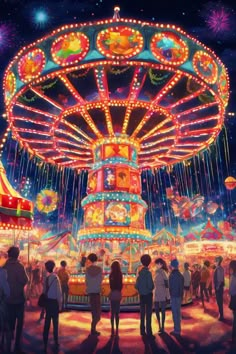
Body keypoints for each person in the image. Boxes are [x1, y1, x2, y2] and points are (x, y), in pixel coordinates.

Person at [4, 246, 29, 354]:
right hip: (18, 299)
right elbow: (25, 280)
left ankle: (8, 345)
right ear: (17, 255)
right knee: (19, 323)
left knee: (9, 323)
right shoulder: (19, 266)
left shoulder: (4, 266)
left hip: (7, 300)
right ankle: (17, 346)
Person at [43, 260, 62, 352]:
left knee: (47, 322)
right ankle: (56, 340)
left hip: (48, 303)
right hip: (54, 303)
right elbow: (59, 293)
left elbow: (44, 291)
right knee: (55, 323)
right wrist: (60, 304)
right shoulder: (56, 278)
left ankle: (45, 341)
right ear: (54, 267)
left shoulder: (46, 278)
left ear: (46, 268)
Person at [135, 254, 154, 338]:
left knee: (142, 313)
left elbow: (136, 285)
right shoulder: (148, 273)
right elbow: (150, 286)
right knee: (148, 313)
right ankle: (149, 331)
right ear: (149, 263)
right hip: (148, 295)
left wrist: (140, 289)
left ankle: (142, 330)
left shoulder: (140, 273)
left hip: (142, 295)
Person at [85, 253, 103, 336]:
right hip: (97, 291)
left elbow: (87, 281)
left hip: (91, 291)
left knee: (93, 310)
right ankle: (93, 328)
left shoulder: (87, 270)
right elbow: (100, 280)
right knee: (98, 312)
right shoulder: (99, 269)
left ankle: (93, 328)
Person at [169, 259, 184, 336]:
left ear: (172, 266)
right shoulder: (180, 275)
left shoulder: (172, 275)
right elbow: (182, 287)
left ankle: (176, 330)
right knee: (178, 313)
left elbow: (170, 287)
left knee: (175, 313)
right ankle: (178, 328)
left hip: (174, 296)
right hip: (179, 296)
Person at [153, 258, 169, 334]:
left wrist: (167, 296)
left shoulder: (163, 272)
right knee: (157, 310)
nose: (156, 265)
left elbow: (167, 285)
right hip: (156, 293)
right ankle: (160, 326)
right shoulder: (156, 272)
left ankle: (162, 326)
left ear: (161, 265)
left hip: (162, 293)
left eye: (157, 264)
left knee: (162, 311)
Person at [109, 260, 123, 336]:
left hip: (112, 293)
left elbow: (110, 285)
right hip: (118, 293)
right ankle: (117, 327)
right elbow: (121, 285)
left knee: (112, 312)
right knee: (117, 312)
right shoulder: (120, 274)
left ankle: (112, 327)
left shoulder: (111, 275)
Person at [214, 256, 225, 321]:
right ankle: (221, 314)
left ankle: (221, 315)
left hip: (219, 287)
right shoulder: (220, 268)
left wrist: (217, 287)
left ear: (218, 261)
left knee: (219, 301)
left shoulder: (218, 269)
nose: (215, 262)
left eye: (216, 261)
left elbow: (220, 279)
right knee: (219, 301)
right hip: (220, 287)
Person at [229, 260, 236, 346]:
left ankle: (233, 338)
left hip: (235, 299)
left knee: (235, 320)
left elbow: (231, 291)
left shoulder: (233, 277)